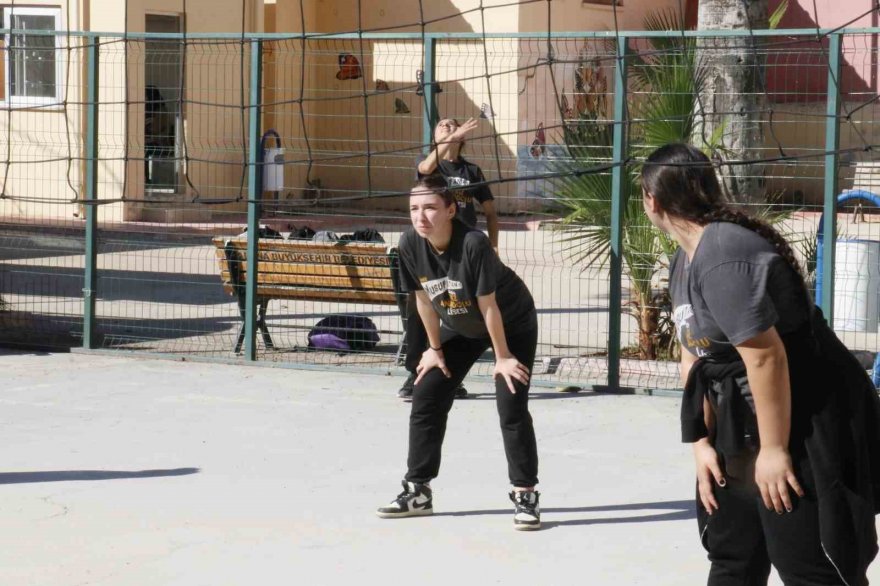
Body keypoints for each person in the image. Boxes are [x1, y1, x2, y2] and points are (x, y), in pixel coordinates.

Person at [641, 143, 880, 585]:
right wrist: (701, 444)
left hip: (803, 414)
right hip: (739, 419)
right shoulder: (684, 257)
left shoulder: (723, 254)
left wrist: (772, 451)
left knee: (808, 560)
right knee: (734, 553)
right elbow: (694, 350)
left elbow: (766, 358)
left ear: (650, 200)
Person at [377, 175, 541, 530]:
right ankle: (418, 491)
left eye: (431, 208)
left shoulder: (473, 243)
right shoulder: (409, 244)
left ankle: (525, 493)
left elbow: (489, 306)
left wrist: (502, 359)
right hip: (461, 325)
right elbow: (422, 299)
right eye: (414, 209)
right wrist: (434, 350)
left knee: (511, 401)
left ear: (451, 210)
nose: (421, 216)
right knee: (427, 393)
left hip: (509, 322)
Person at [396, 117, 499, 400]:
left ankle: (454, 374)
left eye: (452, 124)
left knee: (463, 311)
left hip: (462, 250)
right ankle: (414, 372)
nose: (448, 126)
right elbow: (424, 168)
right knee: (421, 308)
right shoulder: (433, 166)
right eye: (442, 125)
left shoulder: (471, 170)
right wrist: (445, 143)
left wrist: (493, 246)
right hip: (431, 248)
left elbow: (490, 211)